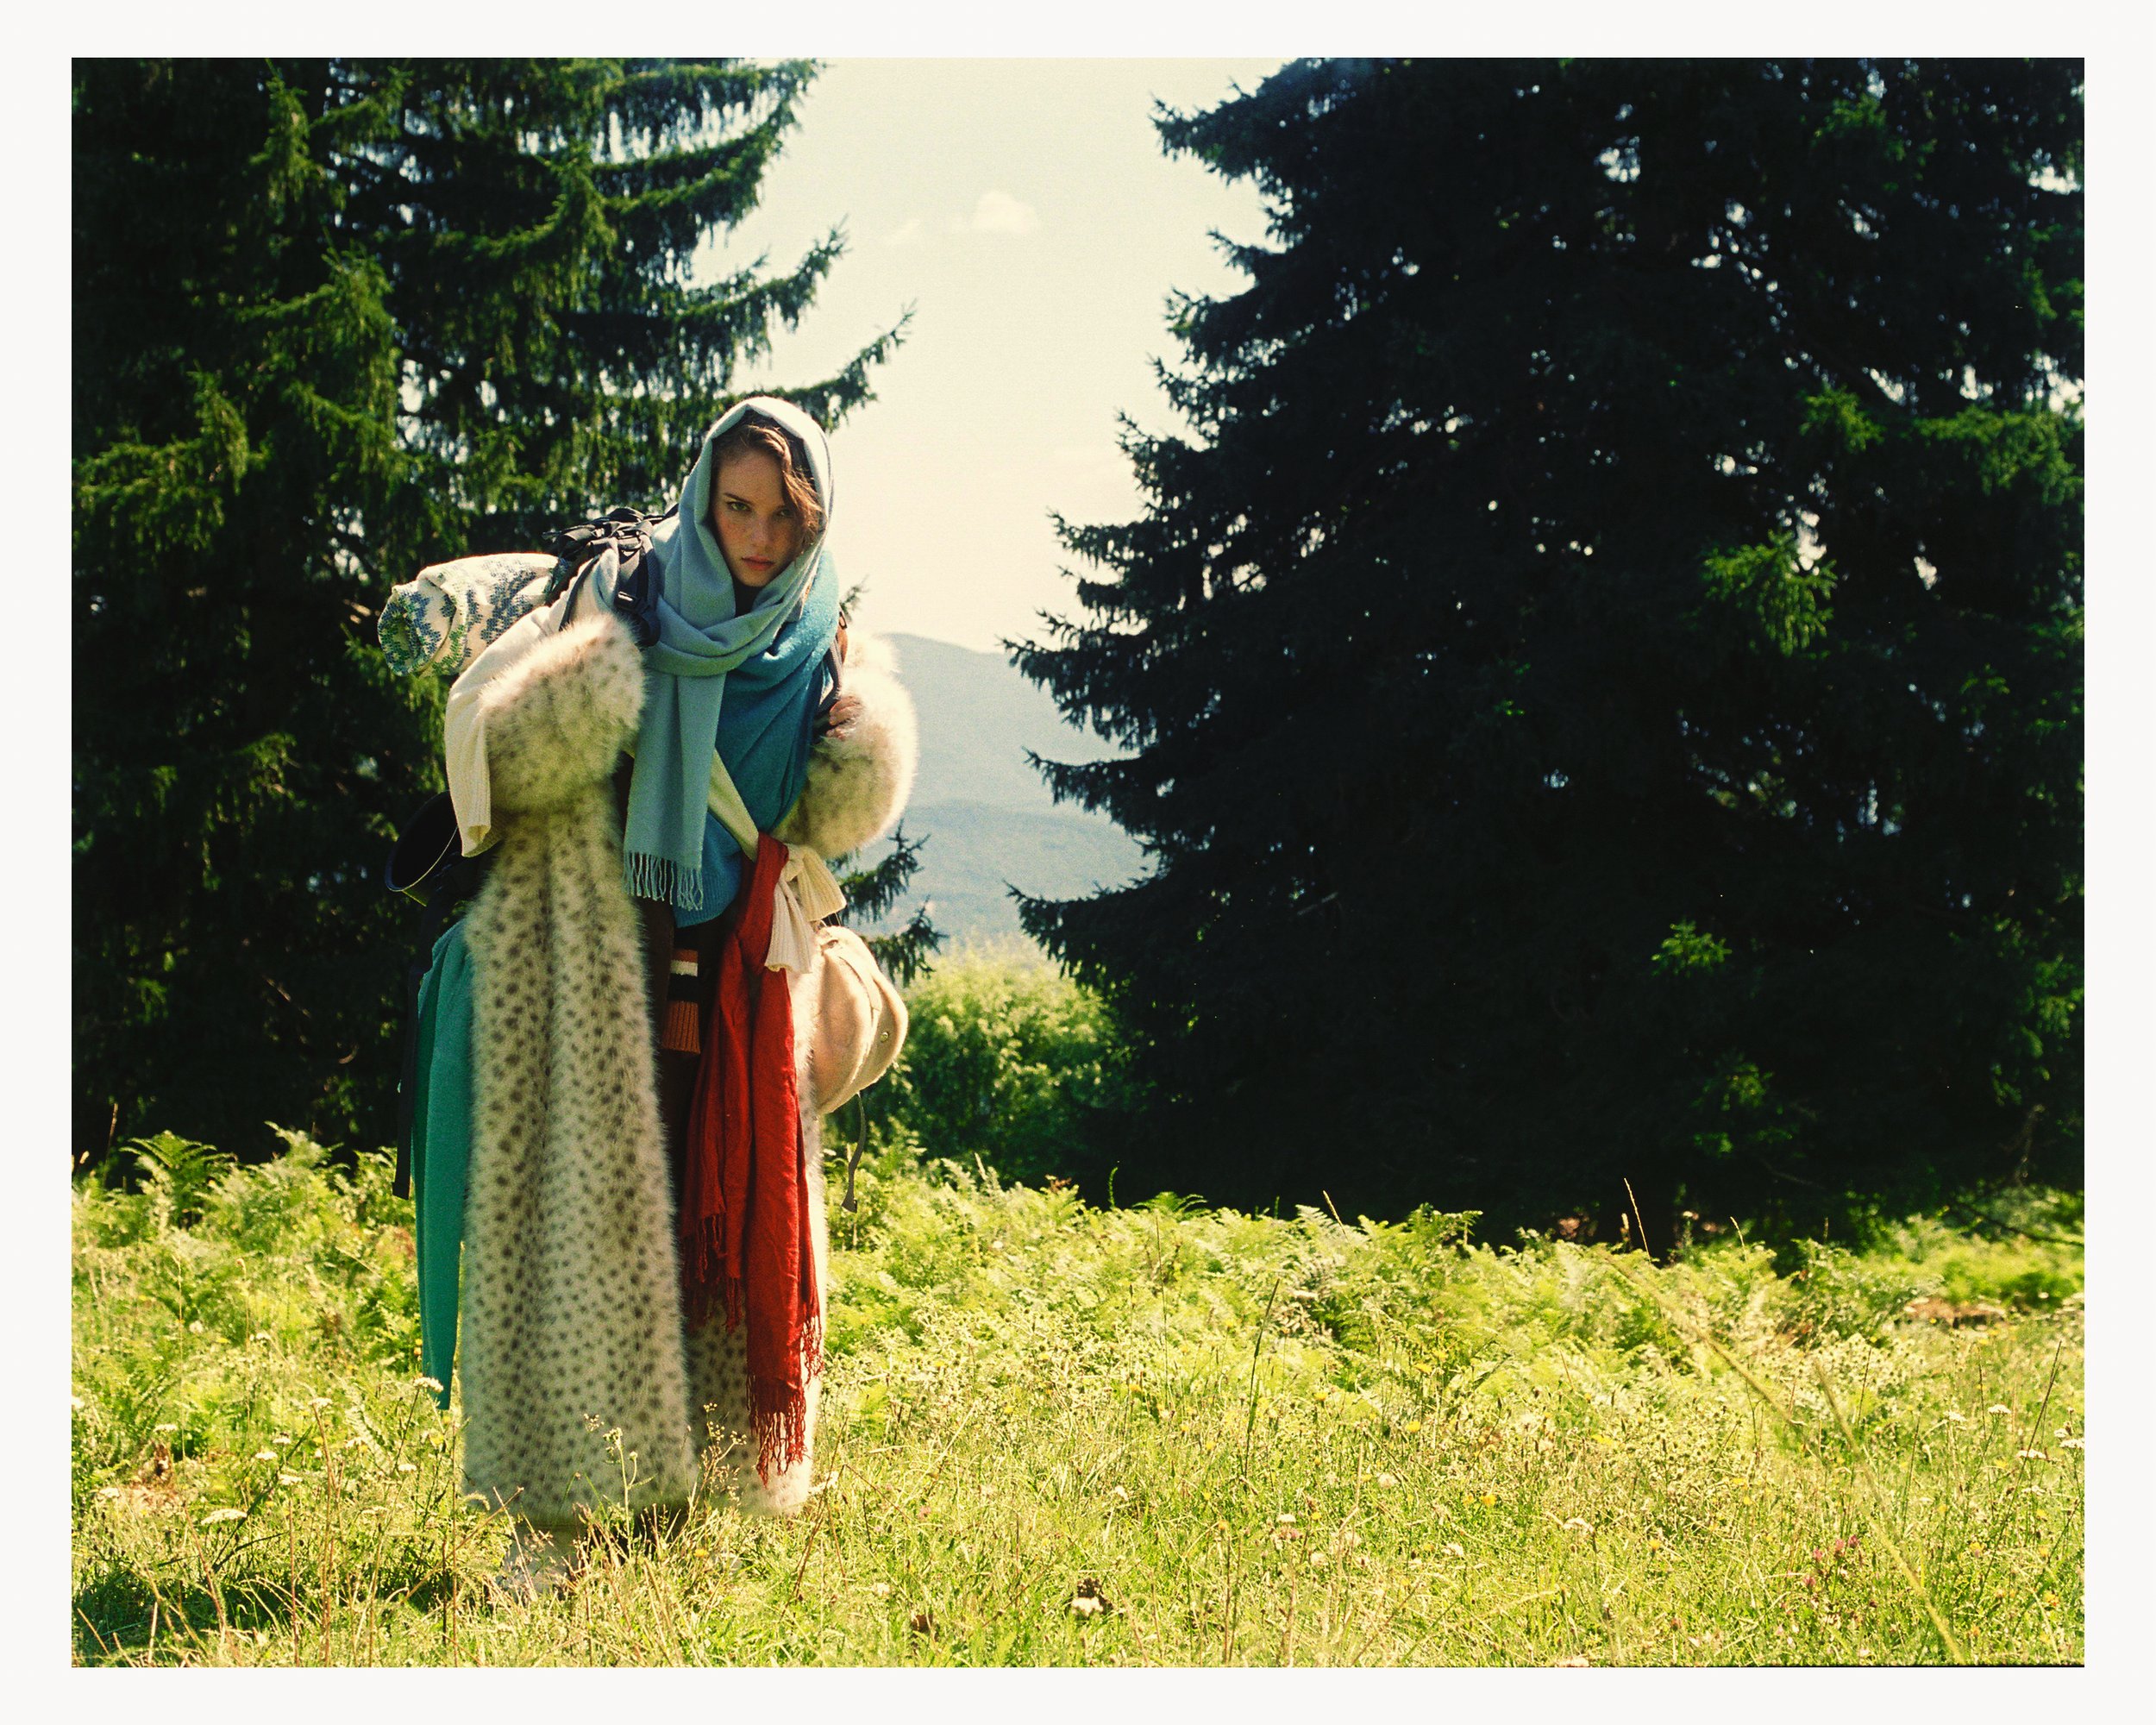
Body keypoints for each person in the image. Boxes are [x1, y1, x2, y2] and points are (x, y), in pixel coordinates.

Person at [395, 398, 916, 1596]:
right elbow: (495, 761)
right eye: (739, 505)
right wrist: (582, 706)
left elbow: (808, 825)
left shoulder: (823, 647)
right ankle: (552, 1532)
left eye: (786, 512)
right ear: (702, 495)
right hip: (592, 966)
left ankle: (676, 1496)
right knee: (572, 1253)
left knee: (720, 1244)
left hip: (733, 988)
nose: (759, 536)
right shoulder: (619, 606)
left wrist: (855, 760)